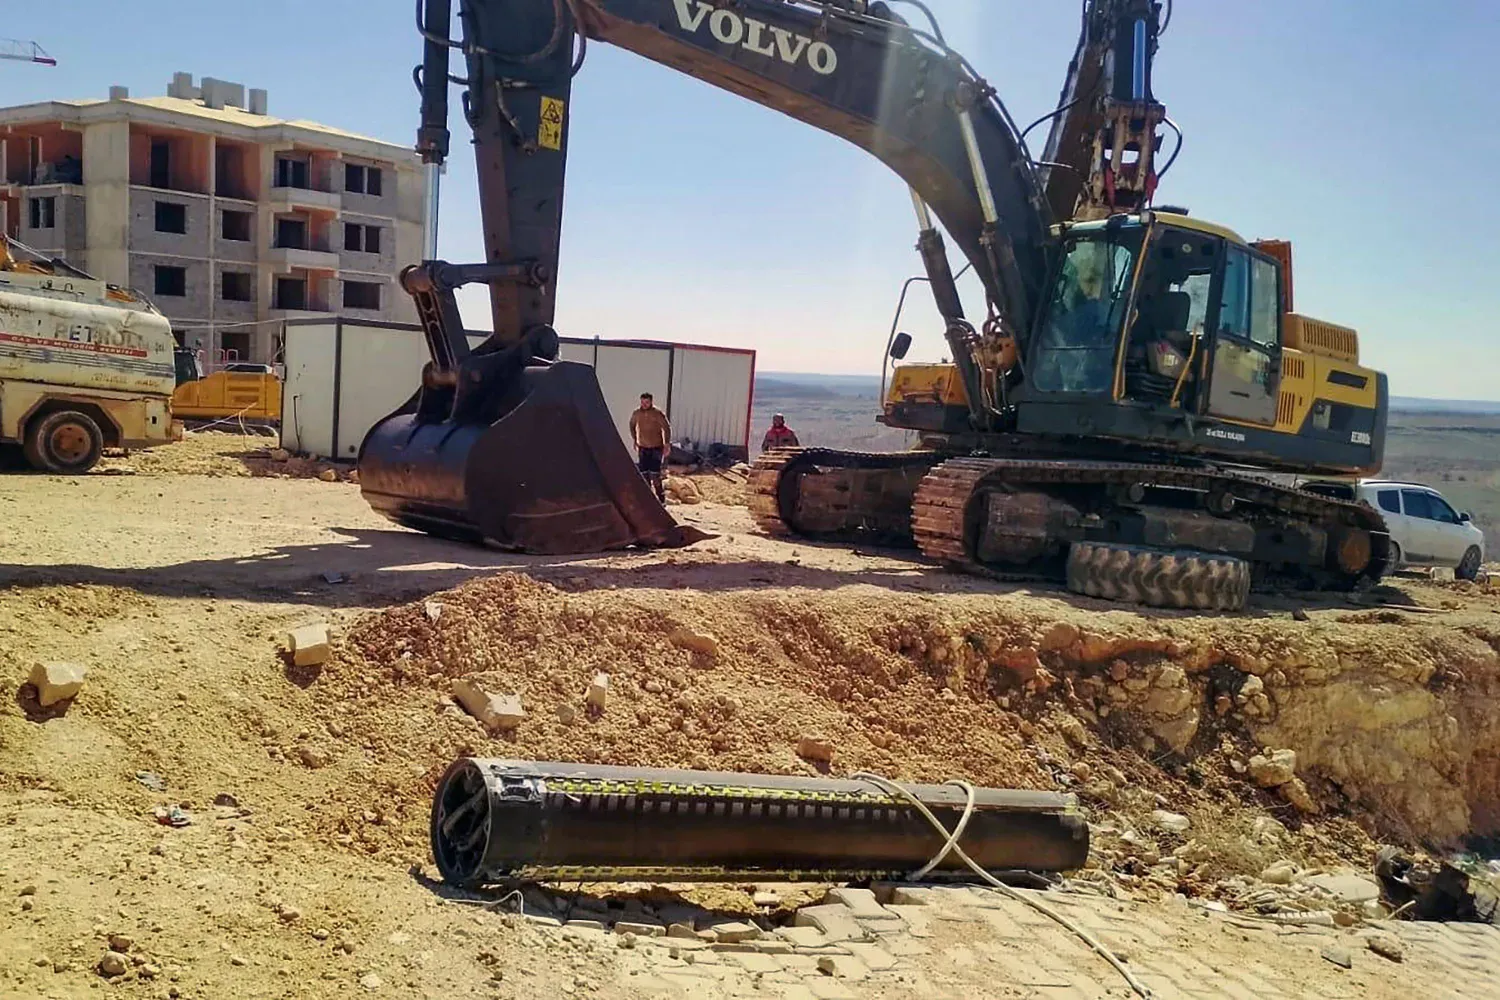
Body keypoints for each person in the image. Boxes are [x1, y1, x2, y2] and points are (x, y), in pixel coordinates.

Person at [628, 392, 670, 502]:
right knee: (644, 475)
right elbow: (632, 425)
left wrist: (667, 444)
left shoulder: (657, 413)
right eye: (642, 402)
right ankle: (647, 500)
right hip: (643, 447)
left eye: (646, 402)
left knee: (655, 475)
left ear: (651, 401)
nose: (644, 404)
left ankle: (661, 500)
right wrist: (635, 439)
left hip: (656, 448)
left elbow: (666, 427)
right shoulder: (637, 413)